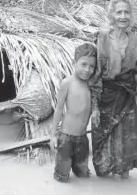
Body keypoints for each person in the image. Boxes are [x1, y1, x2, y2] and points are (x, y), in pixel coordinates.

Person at [88, 0, 137, 180]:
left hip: (126, 99)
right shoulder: (102, 39)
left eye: (126, 12)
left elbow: (136, 71)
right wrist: (94, 107)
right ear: (111, 16)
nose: (123, 16)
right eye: (119, 12)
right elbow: (95, 75)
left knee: (125, 143)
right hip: (105, 97)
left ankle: (123, 183)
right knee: (102, 146)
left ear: (131, 16)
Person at [50, 43, 97, 182]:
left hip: (82, 139)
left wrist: (96, 111)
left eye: (92, 66)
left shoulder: (92, 85)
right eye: (83, 64)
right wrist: (53, 135)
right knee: (62, 178)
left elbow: (95, 103)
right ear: (74, 63)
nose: (87, 70)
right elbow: (59, 109)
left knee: (83, 175)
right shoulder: (67, 83)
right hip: (66, 138)